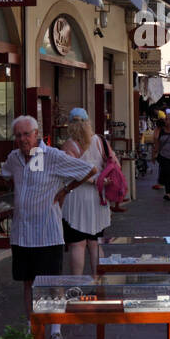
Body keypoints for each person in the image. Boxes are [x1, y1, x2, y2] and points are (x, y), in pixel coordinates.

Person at [1, 115, 95, 339]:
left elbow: (88, 170)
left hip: (47, 232)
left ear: (37, 134)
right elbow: (6, 175)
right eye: (19, 135)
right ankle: (32, 326)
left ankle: (55, 331)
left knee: (53, 284)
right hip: (22, 233)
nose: (23, 139)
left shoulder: (51, 156)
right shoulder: (14, 159)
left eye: (27, 134)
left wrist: (65, 190)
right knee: (28, 283)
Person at [60, 108, 111, 275]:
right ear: (88, 122)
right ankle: (100, 286)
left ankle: (77, 287)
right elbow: (114, 163)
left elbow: (71, 172)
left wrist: (92, 179)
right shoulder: (100, 141)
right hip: (98, 199)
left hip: (76, 199)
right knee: (95, 243)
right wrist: (101, 180)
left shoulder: (69, 145)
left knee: (77, 244)